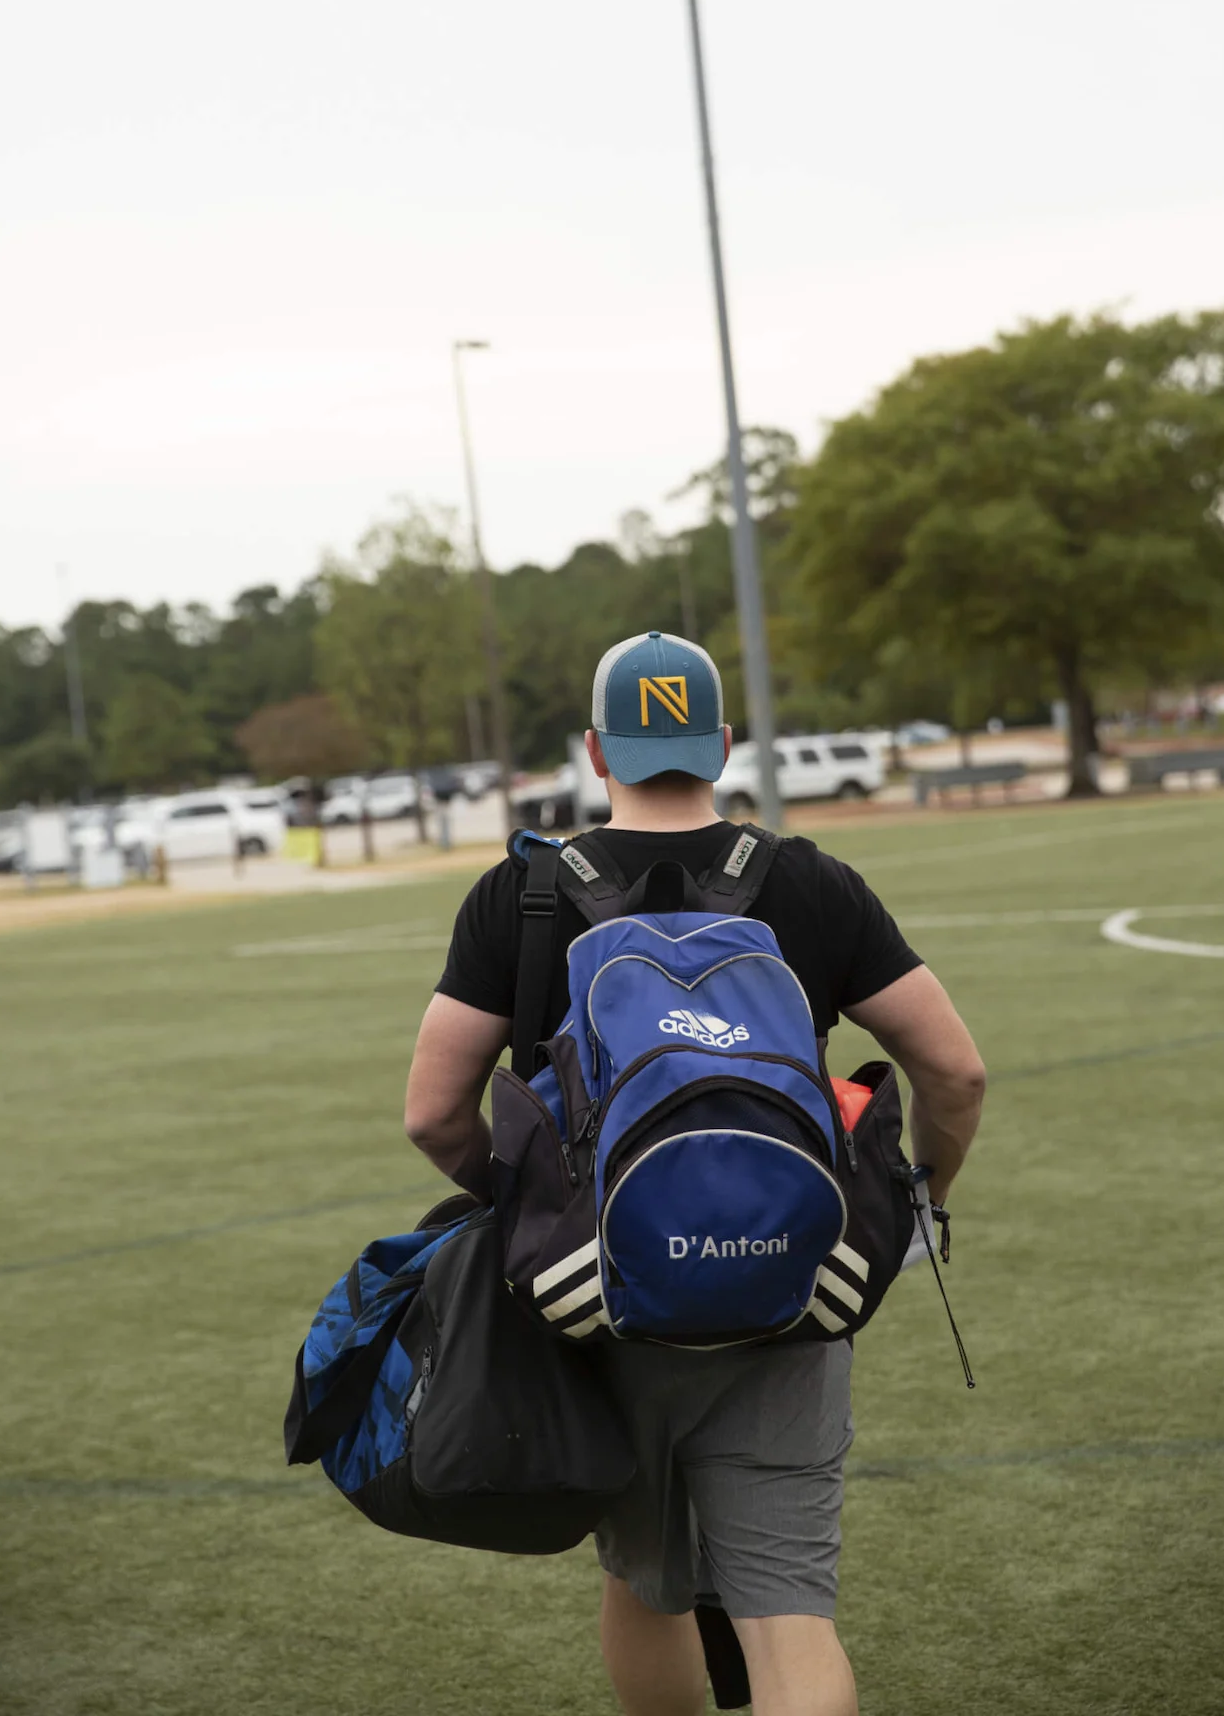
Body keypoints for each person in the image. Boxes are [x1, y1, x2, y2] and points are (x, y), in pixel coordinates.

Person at [405, 631, 986, 1716]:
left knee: (645, 1584)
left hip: (600, 1301)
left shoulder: (520, 894)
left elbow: (431, 1114)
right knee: (786, 1611)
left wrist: (528, 1210)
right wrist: (920, 1206)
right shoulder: (809, 883)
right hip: (787, 1287)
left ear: (595, 750)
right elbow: (954, 1071)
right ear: (719, 744)